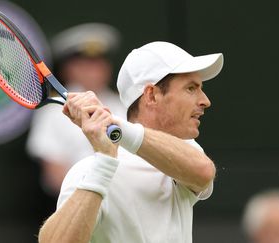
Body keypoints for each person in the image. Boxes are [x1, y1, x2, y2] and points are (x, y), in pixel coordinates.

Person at [38, 41, 224, 243]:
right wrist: (104, 163)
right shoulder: (87, 171)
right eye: (191, 88)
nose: (205, 100)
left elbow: (203, 172)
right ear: (151, 95)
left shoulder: (186, 155)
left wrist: (115, 127)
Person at [26, 23, 126, 198]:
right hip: (73, 207)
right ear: (69, 69)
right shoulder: (52, 113)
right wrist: (92, 198)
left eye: (99, 63)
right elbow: (54, 176)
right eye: (86, 64)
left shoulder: (123, 106)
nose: (94, 71)